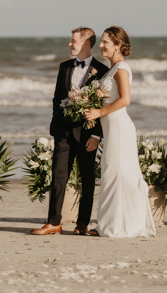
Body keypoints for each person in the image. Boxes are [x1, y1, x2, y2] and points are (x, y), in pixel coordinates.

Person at [31, 27, 109, 236]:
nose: (69, 44)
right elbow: (57, 98)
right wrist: (55, 126)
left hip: (87, 133)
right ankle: (53, 222)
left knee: (87, 179)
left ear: (85, 43)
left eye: (73, 41)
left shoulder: (101, 71)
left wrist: (96, 135)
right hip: (63, 132)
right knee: (58, 176)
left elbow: (103, 105)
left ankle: (82, 223)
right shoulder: (64, 67)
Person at [84, 26, 156, 238]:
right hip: (111, 129)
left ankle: (122, 226)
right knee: (111, 174)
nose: (102, 45)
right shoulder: (111, 69)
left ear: (118, 46)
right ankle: (108, 224)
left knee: (118, 174)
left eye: (106, 42)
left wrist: (98, 111)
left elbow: (125, 100)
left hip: (120, 130)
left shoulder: (122, 68)